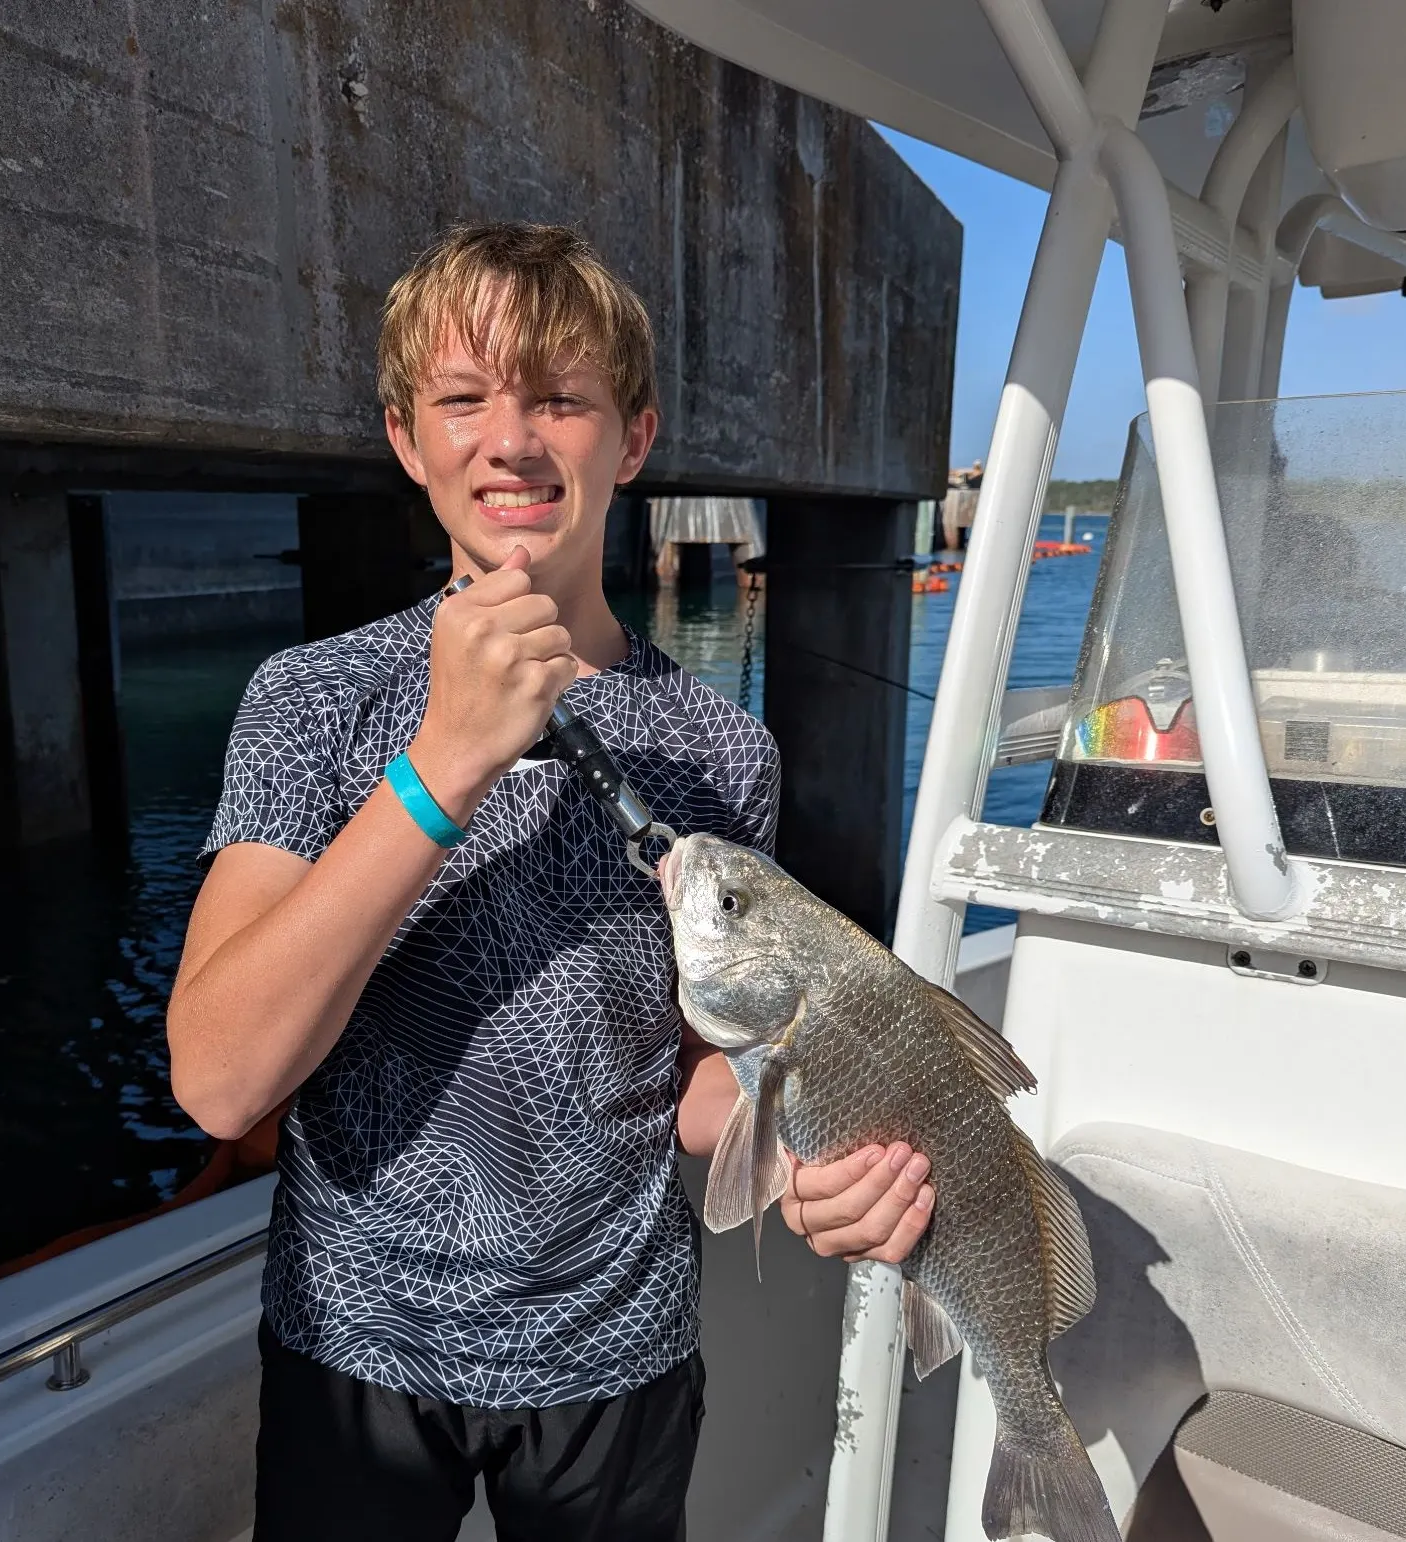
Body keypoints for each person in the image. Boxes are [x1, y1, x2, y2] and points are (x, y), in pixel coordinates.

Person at [166, 222, 933, 1542]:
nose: (508, 440)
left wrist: (810, 1139)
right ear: (408, 440)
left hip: (614, 1349)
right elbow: (220, 1079)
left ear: (628, 440)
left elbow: (695, 1068)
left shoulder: (721, 750)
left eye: (558, 399)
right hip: (353, 1335)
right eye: (462, 400)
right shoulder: (312, 701)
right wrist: (442, 763)